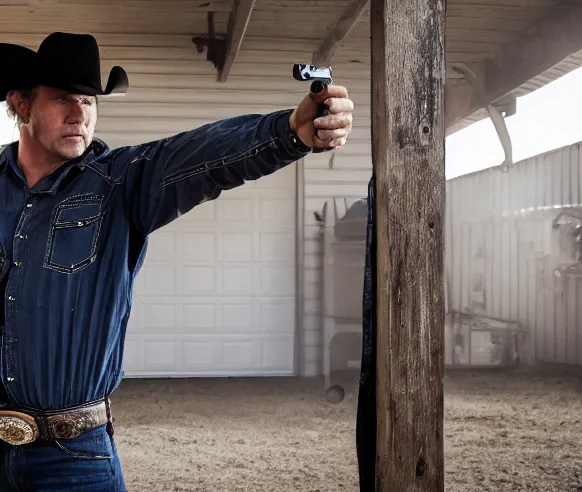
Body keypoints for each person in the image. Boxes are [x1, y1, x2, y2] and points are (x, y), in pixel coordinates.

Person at [0, 32, 354, 491]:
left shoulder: (118, 183)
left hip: (73, 458)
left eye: (88, 101)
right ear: (22, 105)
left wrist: (288, 132)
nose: (79, 115)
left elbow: (202, 155)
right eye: (62, 99)